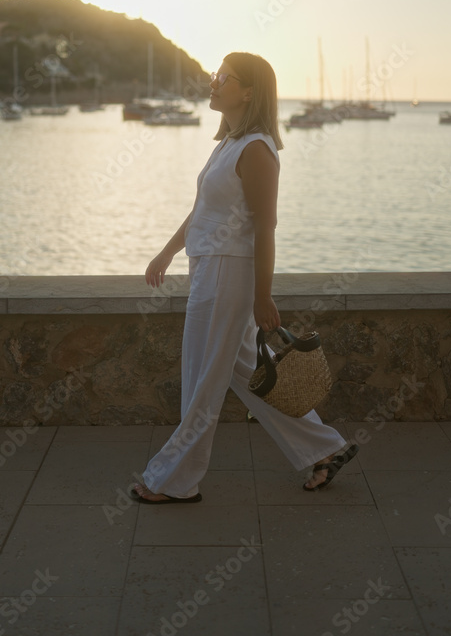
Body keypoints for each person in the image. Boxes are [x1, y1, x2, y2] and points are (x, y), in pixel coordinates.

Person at [131, 52, 358, 504]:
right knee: (245, 372)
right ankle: (324, 449)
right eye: (216, 76)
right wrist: (166, 252)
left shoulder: (257, 149)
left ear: (249, 91)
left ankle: (174, 480)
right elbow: (202, 211)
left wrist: (262, 295)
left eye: (224, 77)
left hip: (228, 274)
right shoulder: (229, 143)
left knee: (202, 380)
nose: (213, 83)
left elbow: (265, 226)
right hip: (209, 268)